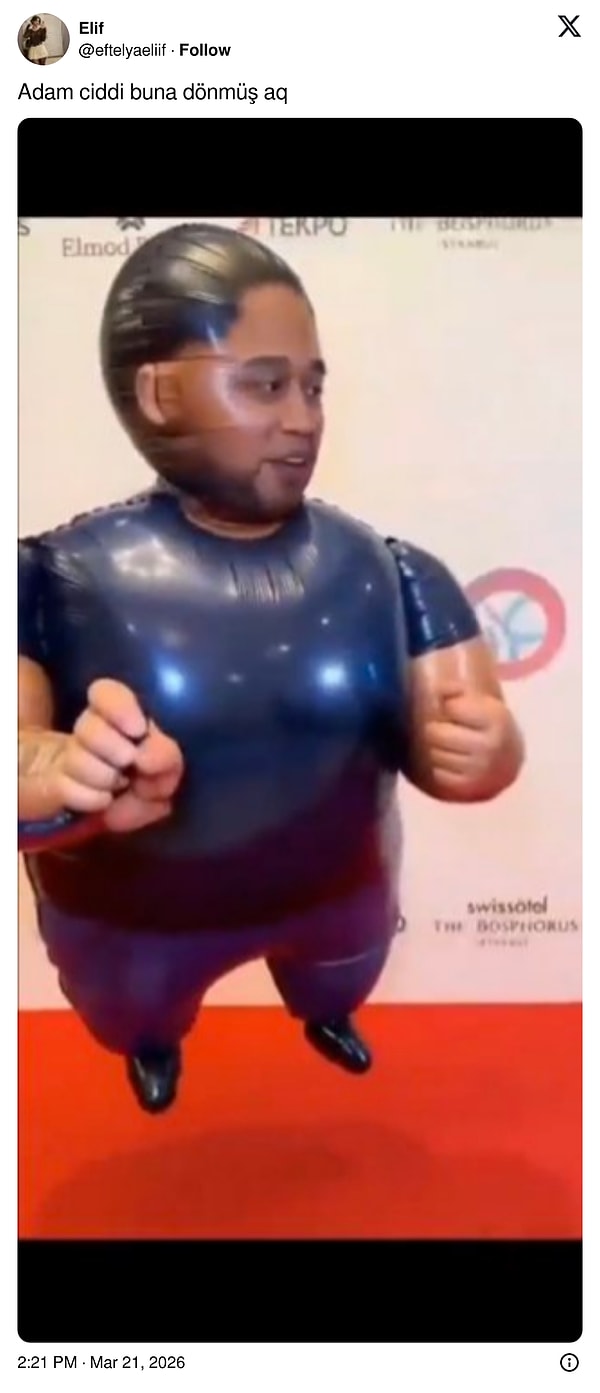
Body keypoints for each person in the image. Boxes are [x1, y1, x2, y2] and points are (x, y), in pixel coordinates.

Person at [18, 224, 525, 1114]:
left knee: (340, 977)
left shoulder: (389, 568)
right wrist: (52, 775)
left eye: (312, 386)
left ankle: (326, 1012)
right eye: (264, 384)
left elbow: (462, 725)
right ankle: (154, 1044)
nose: (302, 418)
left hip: (340, 898)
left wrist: (488, 750)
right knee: (134, 1015)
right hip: (137, 926)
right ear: (159, 391)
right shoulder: (53, 580)